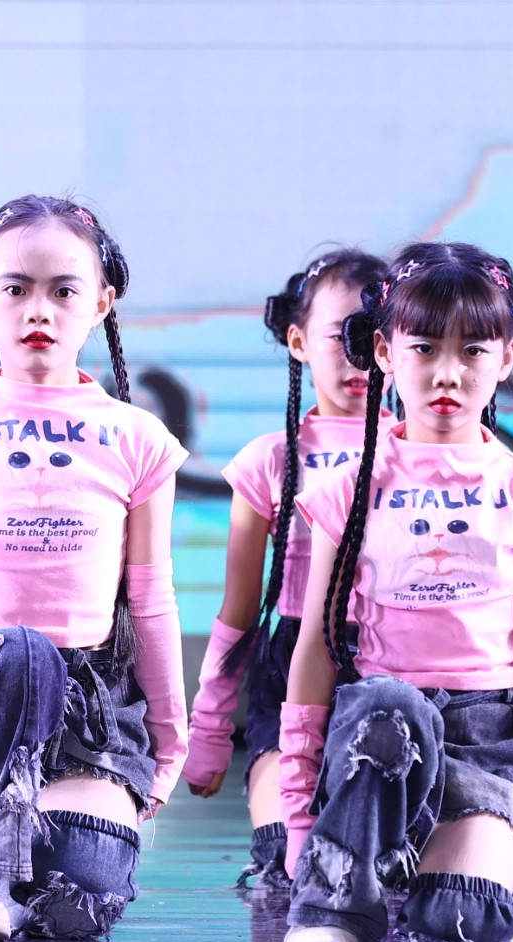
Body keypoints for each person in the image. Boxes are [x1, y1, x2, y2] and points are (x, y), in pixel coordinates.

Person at [277, 242, 513, 942]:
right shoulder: (345, 491)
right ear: (385, 353)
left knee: (464, 934)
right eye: (423, 348)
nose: (448, 373)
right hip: (375, 738)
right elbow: (314, 649)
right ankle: (335, 895)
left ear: (506, 357)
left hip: (487, 741)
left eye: (472, 350)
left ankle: (421, 878)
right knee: (390, 707)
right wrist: (297, 811)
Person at [0, 195, 189, 942]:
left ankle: (13, 853)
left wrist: (170, 736)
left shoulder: (138, 437)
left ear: (101, 303)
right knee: (22, 653)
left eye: (64, 291)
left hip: (94, 699)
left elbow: (151, 596)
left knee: (79, 898)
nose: (39, 310)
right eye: (16, 288)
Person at [182, 249, 389, 893]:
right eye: (339, 336)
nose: (357, 357)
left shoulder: (423, 455)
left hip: (397, 659)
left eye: (372, 338)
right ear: (298, 342)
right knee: (283, 855)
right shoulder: (270, 461)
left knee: (375, 853)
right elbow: (239, 612)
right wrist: (210, 730)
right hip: (292, 653)